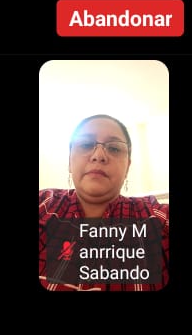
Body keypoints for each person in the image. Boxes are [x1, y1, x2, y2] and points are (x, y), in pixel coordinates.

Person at [39, 114, 169, 291]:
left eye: (114, 148)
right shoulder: (43, 204)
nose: (99, 156)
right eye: (86, 145)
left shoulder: (158, 219)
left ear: (127, 167)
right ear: (69, 162)